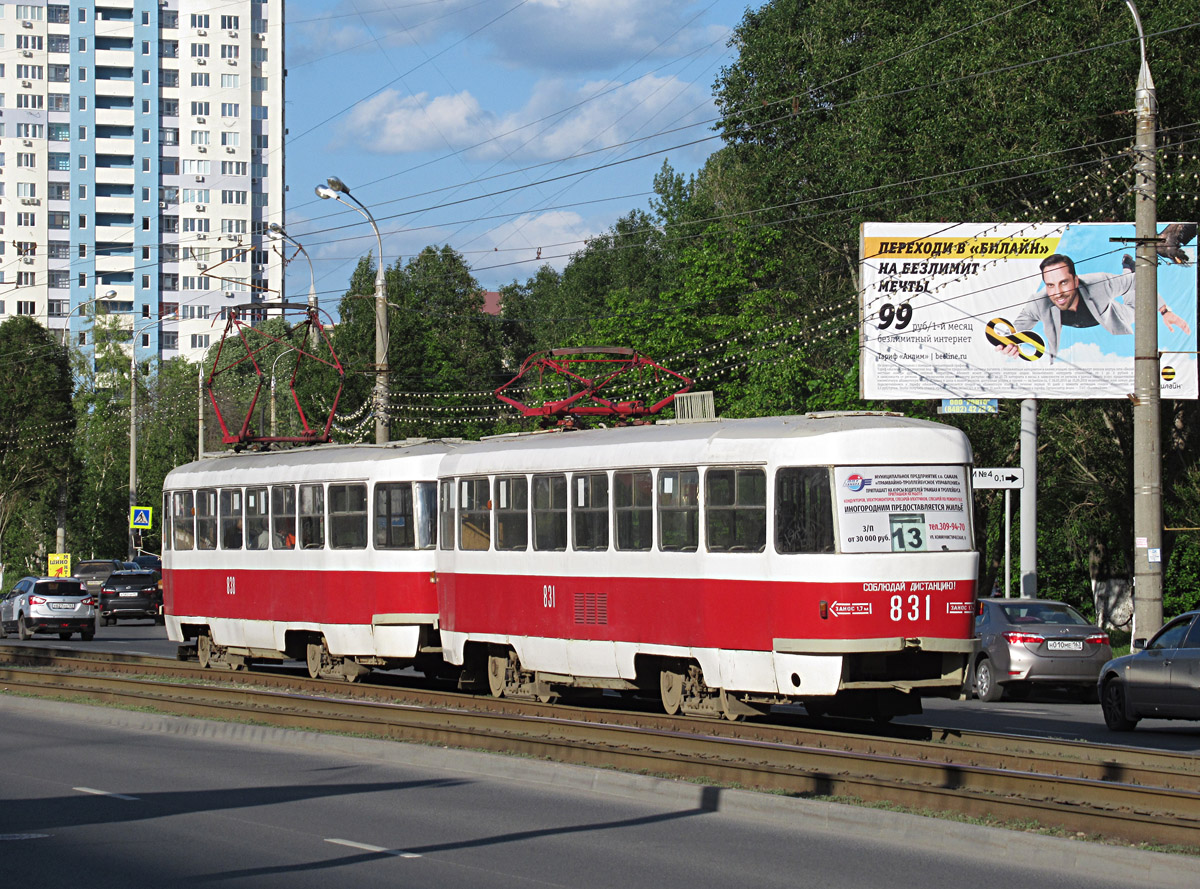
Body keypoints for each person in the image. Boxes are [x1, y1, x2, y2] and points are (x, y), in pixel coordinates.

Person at [995, 253, 1191, 363]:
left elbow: (1141, 281)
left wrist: (1164, 310)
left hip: (1106, 313)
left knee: (1132, 307)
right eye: (1050, 285)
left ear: (1076, 280)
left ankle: (1128, 270)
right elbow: (1016, 330)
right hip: (1085, 319)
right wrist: (1010, 344)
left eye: (1064, 283)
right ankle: (1126, 270)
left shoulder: (1099, 284)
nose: (1058, 293)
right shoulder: (1039, 302)